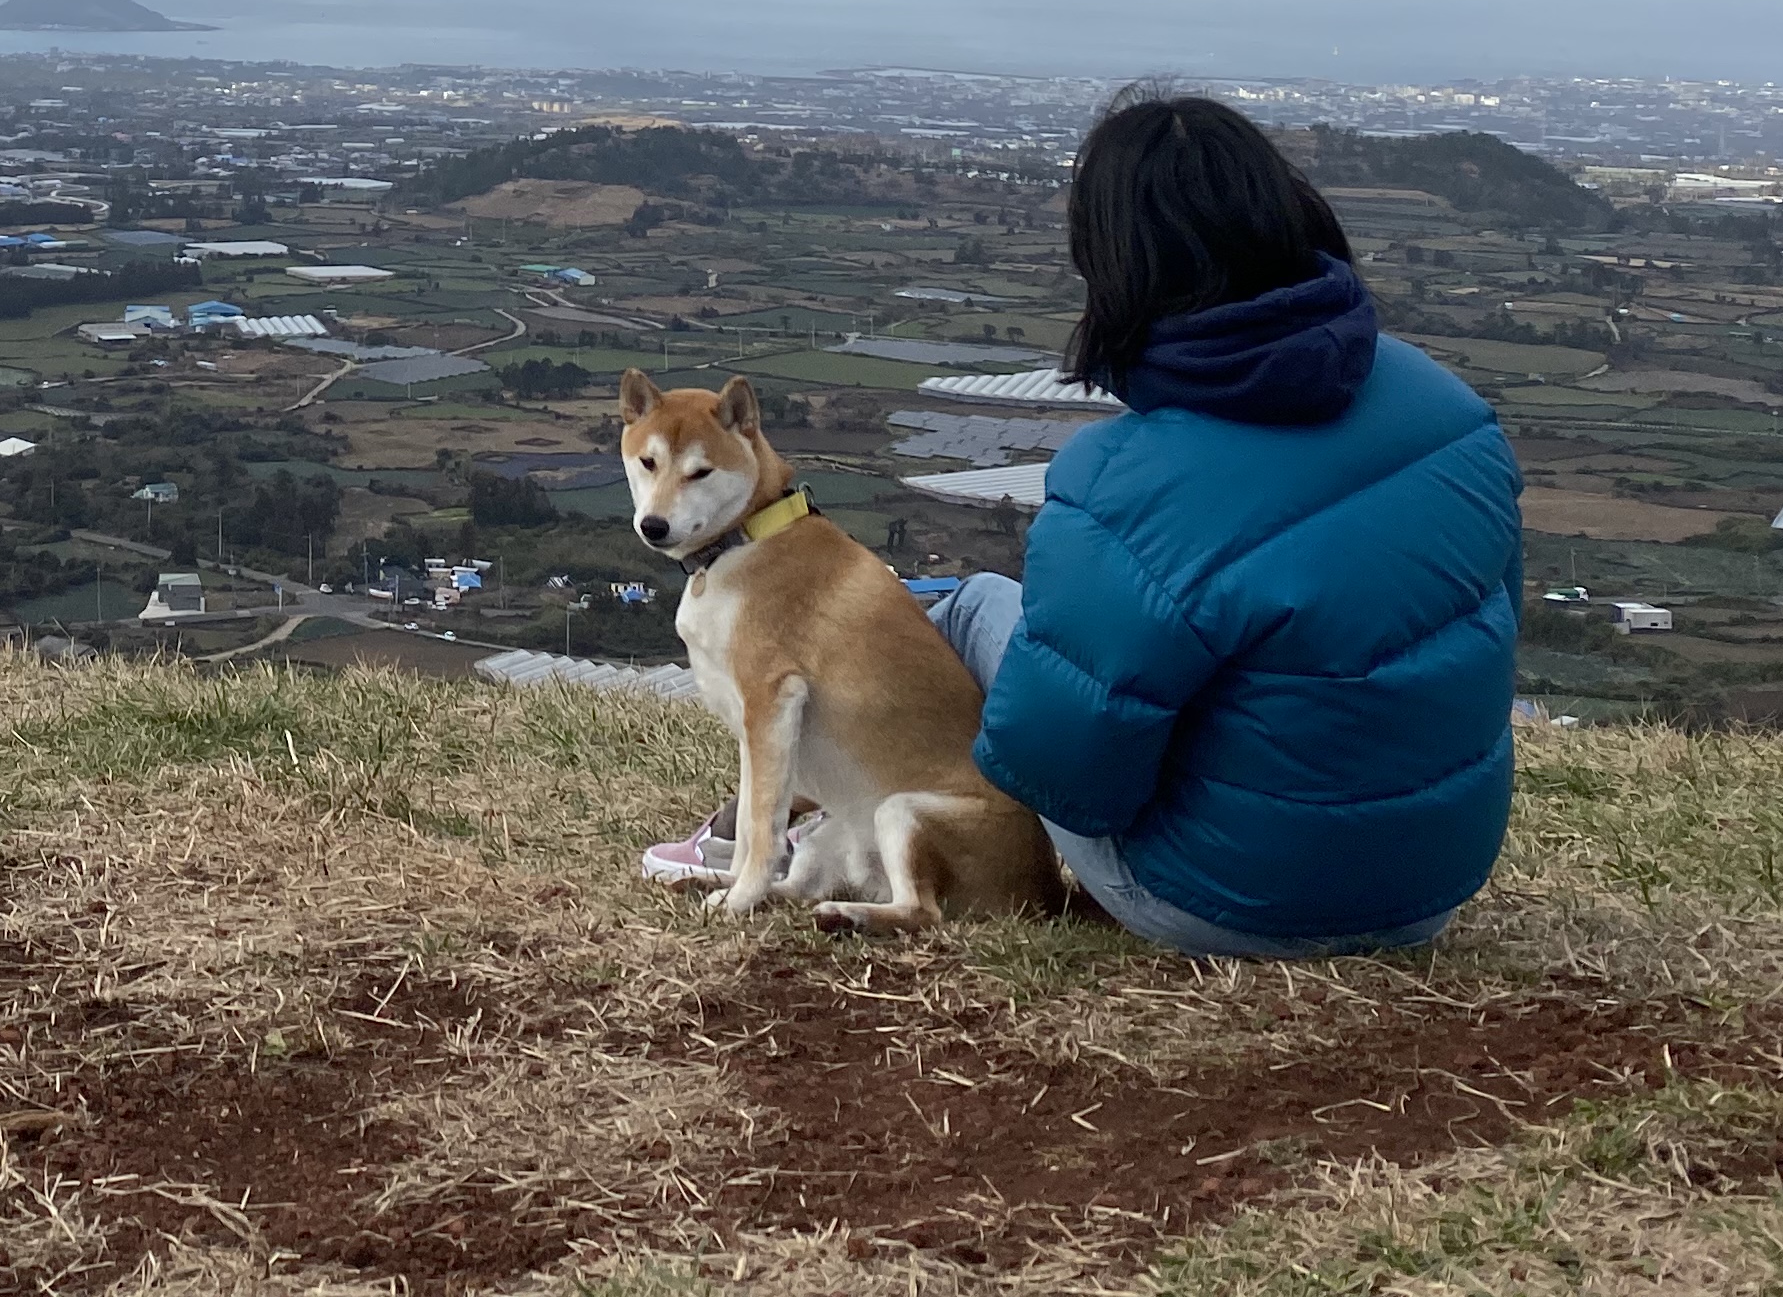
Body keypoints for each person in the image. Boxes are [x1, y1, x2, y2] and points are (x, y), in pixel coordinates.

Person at [641, 87, 1520, 953]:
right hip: (1428, 889)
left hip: (1223, 898)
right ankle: (827, 812)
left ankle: (796, 815)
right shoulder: (1454, 412)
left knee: (964, 609)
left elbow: (1069, 781)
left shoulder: (1123, 481)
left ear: (1120, 273)